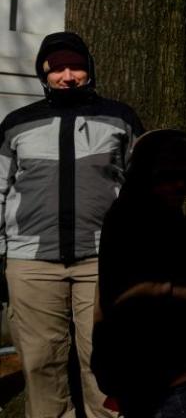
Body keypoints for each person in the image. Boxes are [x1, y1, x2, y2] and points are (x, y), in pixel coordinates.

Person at [0, 31, 143, 418]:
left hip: (102, 261)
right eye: (57, 68)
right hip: (31, 263)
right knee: (40, 363)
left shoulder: (120, 118)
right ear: (43, 75)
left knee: (104, 363)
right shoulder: (17, 124)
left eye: (75, 67)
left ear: (89, 71)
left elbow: (140, 189)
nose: (67, 76)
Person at [91, 129, 186, 418]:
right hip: (161, 376)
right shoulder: (142, 217)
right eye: (168, 177)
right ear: (145, 176)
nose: (180, 185)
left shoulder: (131, 211)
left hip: (141, 372)